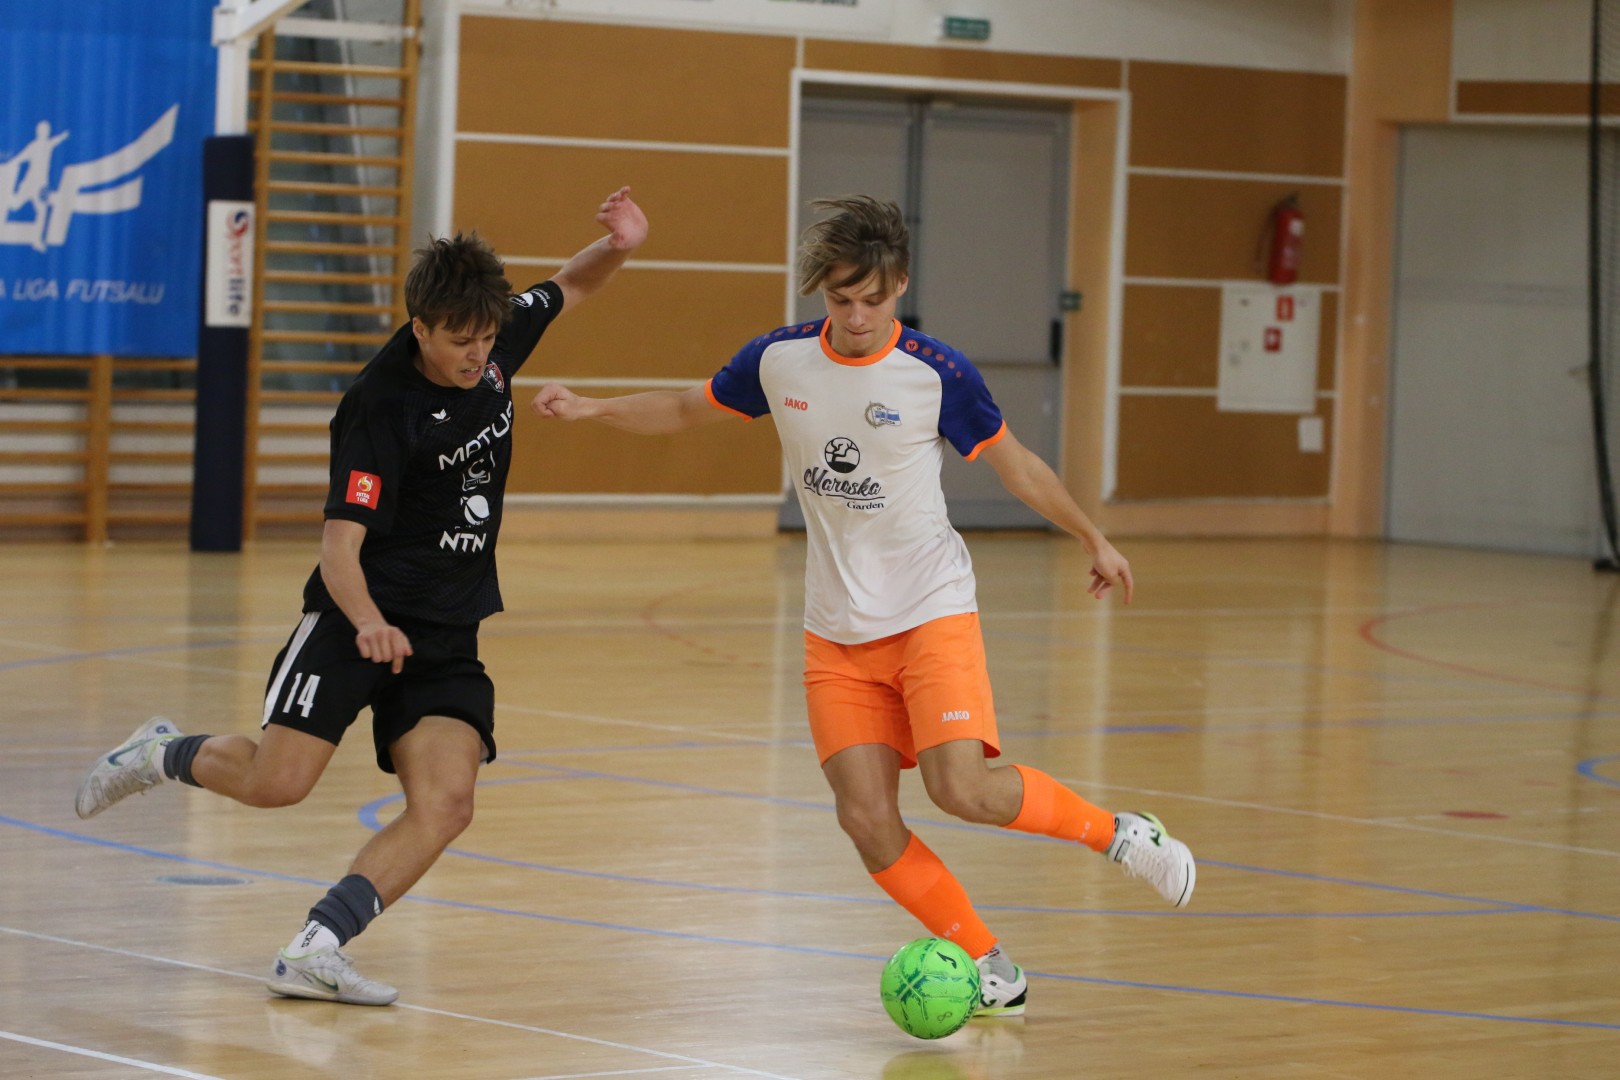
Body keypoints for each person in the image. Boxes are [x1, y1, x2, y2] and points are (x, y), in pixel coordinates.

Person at [530, 195, 1194, 1018]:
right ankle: (989, 965)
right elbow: (684, 407)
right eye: (839, 299)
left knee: (963, 791)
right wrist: (592, 407)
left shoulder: (937, 373)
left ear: (900, 287)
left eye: (870, 301)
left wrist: (1093, 536)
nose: (854, 317)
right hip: (836, 631)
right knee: (866, 819)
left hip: (930, 612)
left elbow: (1017, 466)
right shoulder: (779, 360)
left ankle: (1123, 835)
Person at [74, 187, 650, 1006]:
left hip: (445, 630)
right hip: (356, 619)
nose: (477, 355)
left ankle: (315, 948)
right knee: (278, 783)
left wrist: (620, 244)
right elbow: (338, 548)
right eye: (460, 342)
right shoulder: (379, 408)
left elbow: (570, 283)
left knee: (447, 803)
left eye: (487, 339)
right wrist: (372, 622)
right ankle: (159, 752)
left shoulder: (488, 334)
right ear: (420, 327)